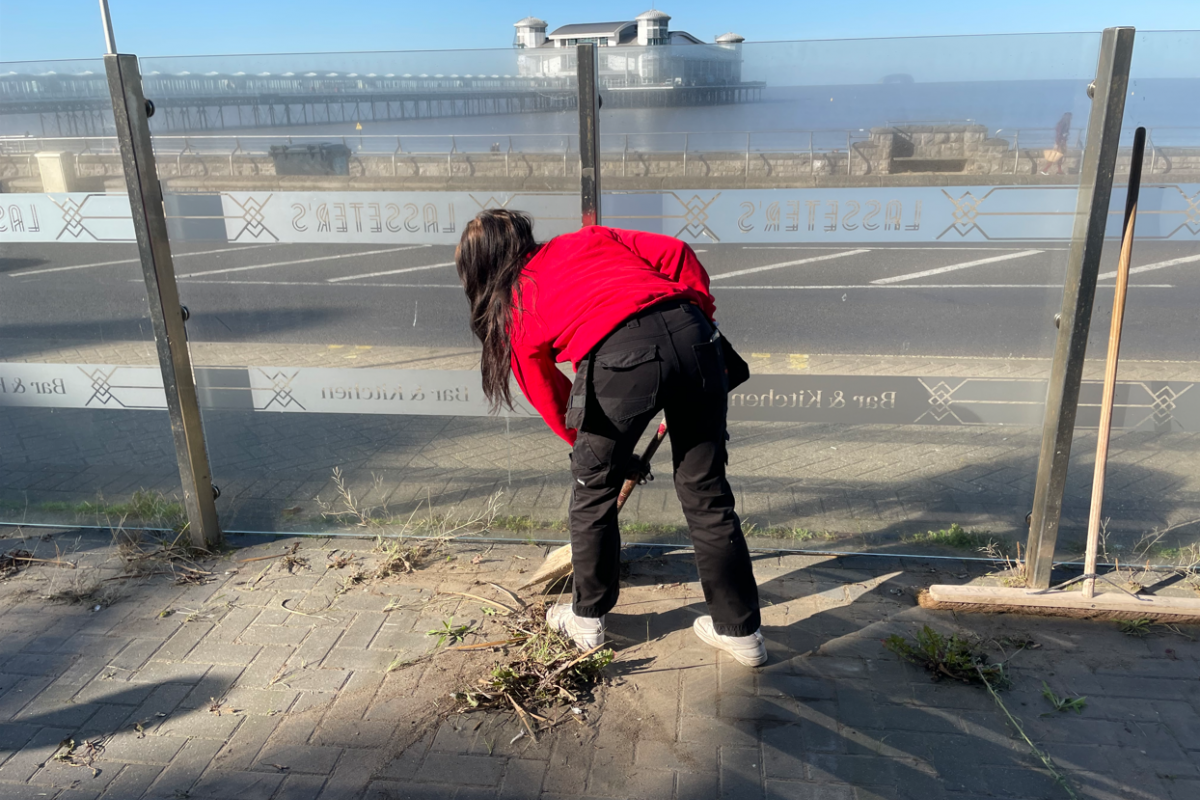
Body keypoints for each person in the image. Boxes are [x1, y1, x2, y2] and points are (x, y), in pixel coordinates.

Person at [455, 209, 766, 667]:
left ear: (481, 268)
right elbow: (677, 253)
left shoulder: (516, 302)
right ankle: (741, 632)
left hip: (623, 358)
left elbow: (551, 396)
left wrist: (596, 460)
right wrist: (698, 312)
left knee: (592, 492)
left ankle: (587, 620)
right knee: (706, 490)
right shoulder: (588, 239)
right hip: (697, 339)